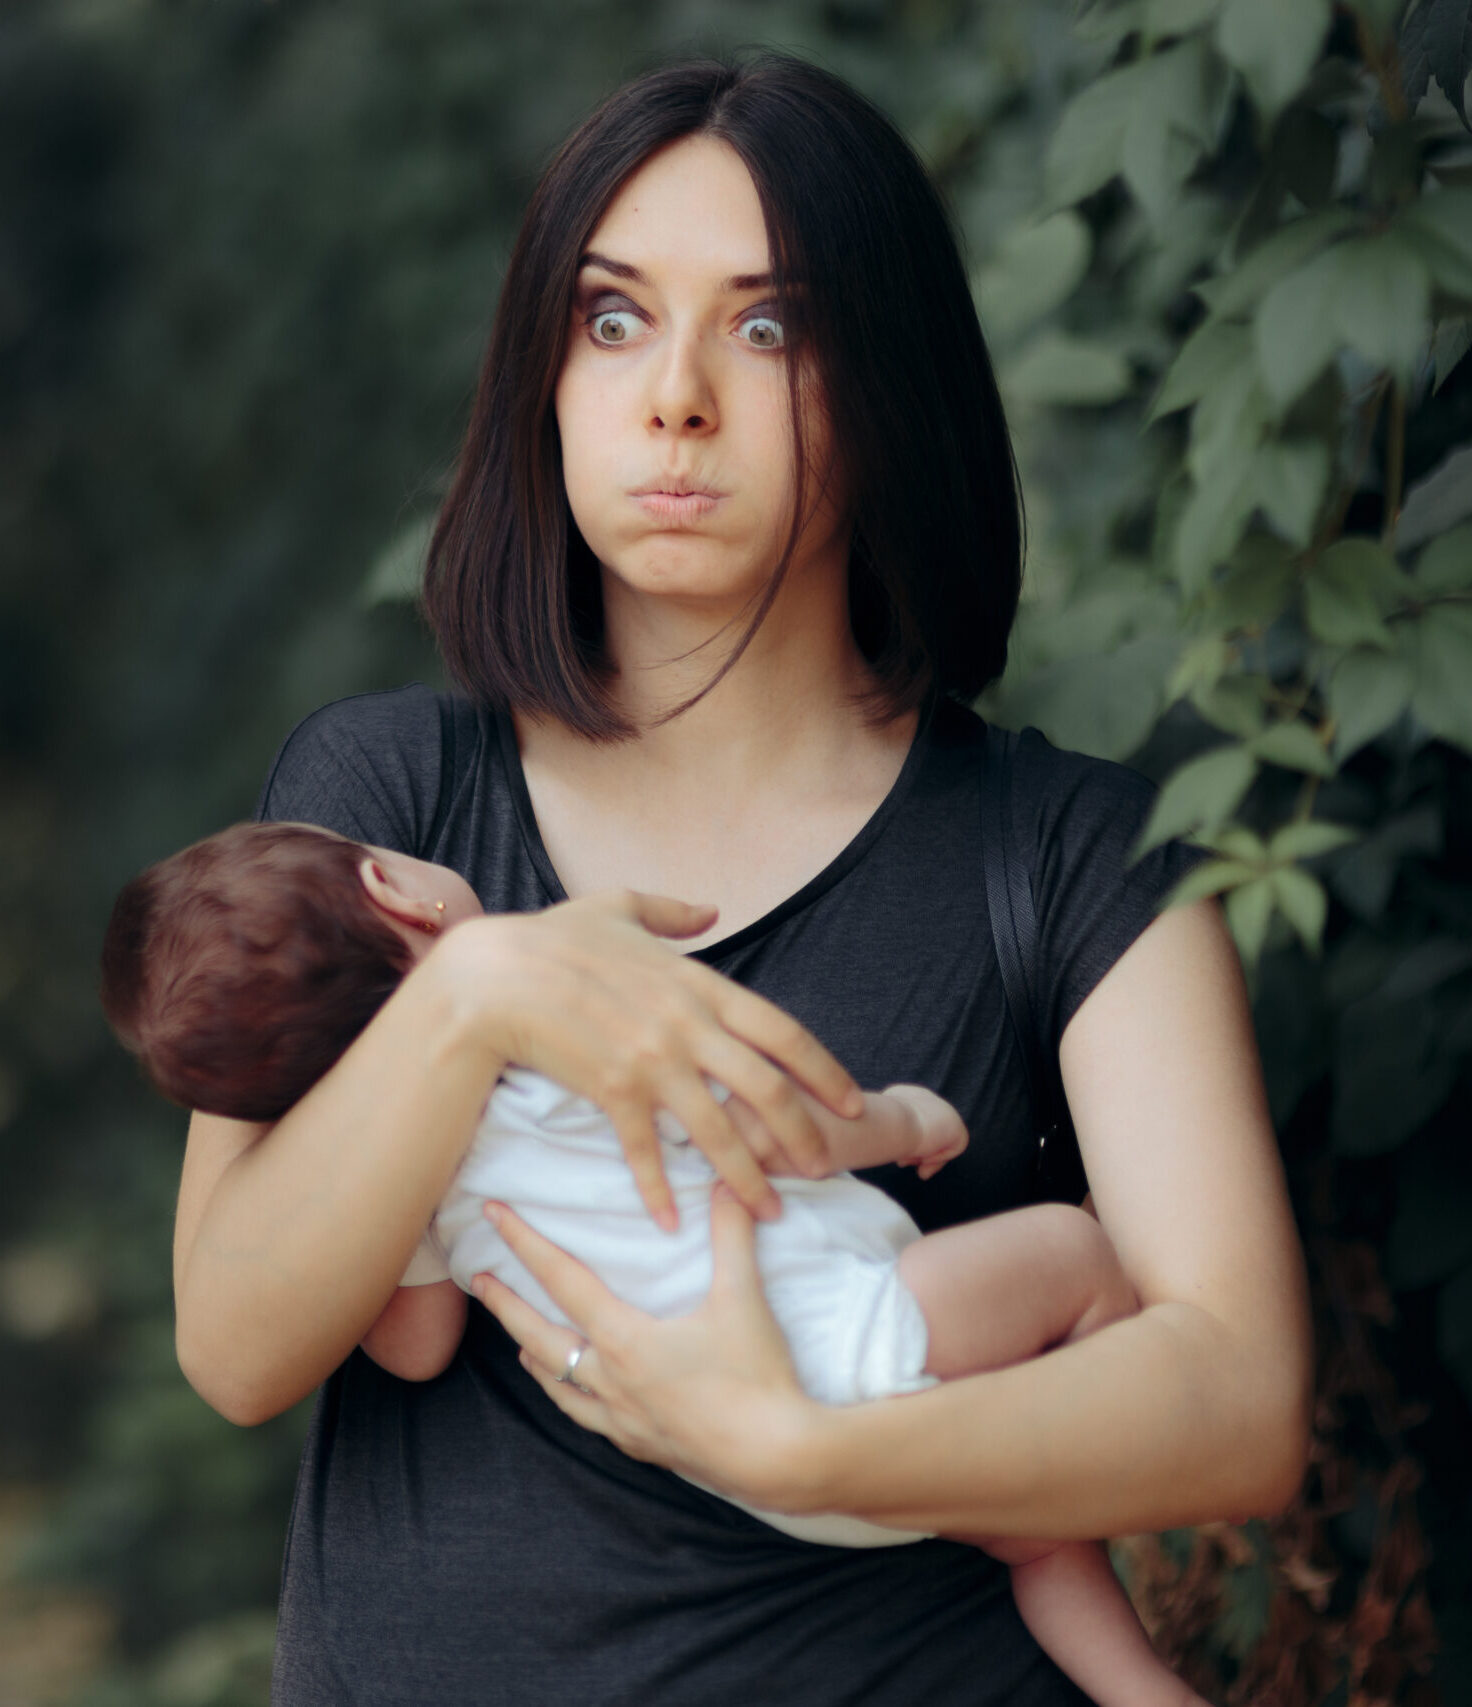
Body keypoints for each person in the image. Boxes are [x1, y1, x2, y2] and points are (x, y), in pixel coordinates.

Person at [167, 50, 1312, 1707]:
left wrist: (801, 1441)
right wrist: (481, 993)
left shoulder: (1071, 859)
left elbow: (1238, 1400)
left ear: (891, 375)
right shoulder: (383, 806)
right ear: (541, 377)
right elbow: (237, 1340)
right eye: (612, 319)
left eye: (766, 328)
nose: (675, 396)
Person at [105, 819, 1214, 1706]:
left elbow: (415, 1344)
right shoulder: (565, 1046)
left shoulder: (403, 1178)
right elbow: (777, 1123)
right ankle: (1106, 1581)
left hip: (740, 1465)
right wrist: (901, 1118)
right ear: (398, 892)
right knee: (1074, 1250)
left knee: (1028, 1547)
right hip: (854, 1341)